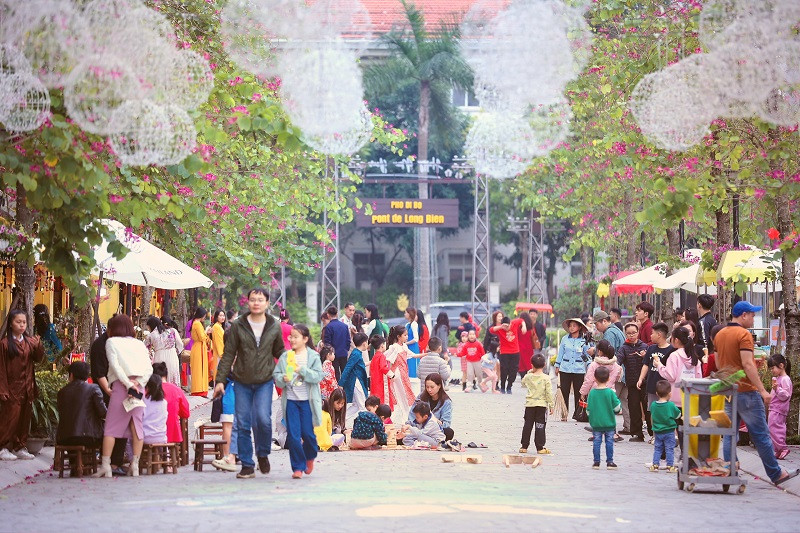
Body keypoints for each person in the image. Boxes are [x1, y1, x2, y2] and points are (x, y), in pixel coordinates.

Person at [214, 288, 286, 480]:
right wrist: (220, 380)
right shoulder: (238, 325)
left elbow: (279, 350)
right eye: (253, 299)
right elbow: (229, 353)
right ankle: (247, 464)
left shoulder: (274, 326)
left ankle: (262, 453)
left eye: (260, 300)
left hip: (264, 381)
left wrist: (293, 365)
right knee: (243, 423)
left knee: (262, 419)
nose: (256, 303)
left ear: (267, 303)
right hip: (242, 382)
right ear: (248, 302)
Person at [95, 314, 152, 477]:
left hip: (121, 386)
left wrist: (127, 384)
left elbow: (115, 365)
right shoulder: (139, 344)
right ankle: (135, 465)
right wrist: (138, 383)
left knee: (111, 427)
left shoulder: (111, 342)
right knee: (137, 427)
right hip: (139, 387)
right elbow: (149, 367)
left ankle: (106, 466)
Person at [273, 323, 322, 479]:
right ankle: (297, 467)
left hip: (307, 401)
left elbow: (317, 376)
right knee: (293, 435)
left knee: (308, 434)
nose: (292, 340)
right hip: (292, 401)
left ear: (305, 339)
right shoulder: (285, 357)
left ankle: (310, 456)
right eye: (291, 336)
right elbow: (277, 377)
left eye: (296, 337)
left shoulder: (312, 356)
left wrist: (301, 370)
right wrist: (282, 378)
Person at [0, 310, 45, 461]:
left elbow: (38, 359)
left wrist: (38, 345)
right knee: (10, 418)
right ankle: (4, 447)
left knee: (24, 418)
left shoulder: (29, 342)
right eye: (18, 322)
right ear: (11, 324)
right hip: (12, 387)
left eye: (24, 322)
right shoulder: (5, 344)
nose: (21, 325)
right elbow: (1, 369)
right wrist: (3, 388)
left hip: (27, 386)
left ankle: (20, 446)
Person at [636, 322, 675, 442]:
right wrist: (641, 378)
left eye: (652, 333)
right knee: (653, 410)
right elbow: (646, 365)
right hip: (652, 385)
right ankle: (655, 435)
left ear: (659, 335)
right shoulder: (651, 348)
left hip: (666, 386)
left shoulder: (671, 350)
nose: (650, 336)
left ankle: (668, 434)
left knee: (666, 410)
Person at [590, 311, 627, 434]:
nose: (596, 327)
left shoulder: (610, 333)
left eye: (597, 324)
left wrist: (595, 351)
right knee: (623, 401)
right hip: (621, 371)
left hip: (613, 372)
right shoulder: (616, 330)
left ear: (604, 321)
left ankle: (607, 429)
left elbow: (608, 353)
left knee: (608, 401)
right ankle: (628, 426)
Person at [56, 362, 106, 451]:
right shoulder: (93, 388)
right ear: (87, 375)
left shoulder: (62, 392)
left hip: (64, 438)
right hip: (89, 437)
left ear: (71, 375)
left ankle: (74, 461)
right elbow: (103, 412)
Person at [654, 326, 701, 404]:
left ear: (676, 340)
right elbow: (699, 378)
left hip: (676, 398)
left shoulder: (674, 355)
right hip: (692, 397)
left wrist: (659, 365)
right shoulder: (694, 356)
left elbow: (670, 376)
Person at [554, 317, 590, 420]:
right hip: (565, 368)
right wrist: (557, 365)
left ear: (579, 327)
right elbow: (561, 353)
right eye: (570, 326)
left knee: (579, 392)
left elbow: (586, 355)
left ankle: (578, 414)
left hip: (579, 369)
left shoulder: (584, 340)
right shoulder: (565, 339)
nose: (571, 328)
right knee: (564, 391)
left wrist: (589, 366)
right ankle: (564, 414)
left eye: (574, 325)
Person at [587, 365, 621, 470]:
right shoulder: (610, 392)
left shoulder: (592, 393)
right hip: (609, 423)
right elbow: (617, 408)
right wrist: (616, 411)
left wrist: (592, 417)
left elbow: (588, 410)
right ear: (608, 378)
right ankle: (610, 462)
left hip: (596, 423)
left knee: (597, 442)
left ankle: (596, 462)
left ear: (595, 378)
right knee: (609, 442)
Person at [520, 354, 554, 454]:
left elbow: (522, 384)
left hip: (530, 405)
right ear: (544, 365)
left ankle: (524, 446)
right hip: (542, 406)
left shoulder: (528, 376)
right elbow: (549, 393)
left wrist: (529, 372)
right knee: (540, 425)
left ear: (532, 365)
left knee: (527, 425)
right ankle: (540, 447)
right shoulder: (546, 378)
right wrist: (551, 405)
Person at [151, 363, 189, 446]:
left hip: (150, 432)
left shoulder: (147, 391)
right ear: (166, 375)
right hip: (172, 432)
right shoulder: (176, 390)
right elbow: (186, 413)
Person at [384, 325, 416, 423]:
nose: (407, 337)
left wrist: (427, 354)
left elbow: (413, 355)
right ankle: (404, 419)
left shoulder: (404, 346)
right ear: (399, 336)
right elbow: (385, 356)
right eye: (405, 335)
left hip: (403, 374)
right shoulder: (394, 347)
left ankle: (404, 418)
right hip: (398, 374)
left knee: (403, 396)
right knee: (402, 396)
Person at [411, 373, 455, 444]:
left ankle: (425, 439)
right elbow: (412, 414)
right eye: (427, 387)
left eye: (432, 387)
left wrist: (438, 422)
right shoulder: (421, 397)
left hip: (435, 430)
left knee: (449, 432)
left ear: (439, 386)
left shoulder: (446, 402)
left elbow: (446, 423)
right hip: (419, 427)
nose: (429, 390)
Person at [649, 380, 681, 472]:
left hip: (658, 431)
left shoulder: (653, 405)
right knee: (669, 449)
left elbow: (652, 417)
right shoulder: (670, 405)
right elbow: (677, 415)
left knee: (658, 448)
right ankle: (670, 466)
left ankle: (655, 464)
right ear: (670, 394)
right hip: (669, 431)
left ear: (656, 393)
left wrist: (653, 428)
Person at [490, 315, 526, 394]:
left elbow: (521, 320)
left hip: (515, 351)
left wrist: (524, 326)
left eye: (508, 326)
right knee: (504, 369)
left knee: (514, 370)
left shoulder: (514, 323)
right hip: (504, 352)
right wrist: (501, 327)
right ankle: (502, 386)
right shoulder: (500, 329)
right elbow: (491, 330)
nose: (507, 328)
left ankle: (509, 386)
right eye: (505, 327)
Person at [144, 316, 183, 387]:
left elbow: (145, 348)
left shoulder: (151, 335)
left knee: (160, 379)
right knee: (172, 377)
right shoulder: (172, 331)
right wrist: (175, 352)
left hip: (159, 356)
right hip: (172, 356)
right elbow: (180, 344)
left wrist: (150, 356)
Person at [340, 332, 369, 427]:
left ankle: (340, 419)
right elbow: (348, 368)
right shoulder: (356, 354)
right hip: (356, 382)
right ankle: (366, 426)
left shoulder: (356, 353)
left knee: (357, 406)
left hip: (356, 381)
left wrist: (370, 362)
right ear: (364, 343)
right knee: (362, 405)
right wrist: (341, 383)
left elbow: (358, 365)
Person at [768, 354, 792, 460]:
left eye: (773, 368)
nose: (771, 370)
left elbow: (786, 395)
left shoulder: (785, 379)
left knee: (776, 429)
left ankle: (783, 448)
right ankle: (778, 449)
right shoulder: (779, 378)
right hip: (774, 408)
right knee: (772, 428)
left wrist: (777, 389)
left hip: (778, 409)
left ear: (781, 365)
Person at [322, 306, 350, 380]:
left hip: (333, 354)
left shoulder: (329, 327)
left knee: (335, 373)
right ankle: (345, 389)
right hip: (343, 352)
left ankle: (337, 390)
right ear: (337, 314)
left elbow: (327, 342)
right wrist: (346, 349)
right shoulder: (344, 326)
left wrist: (330, 353)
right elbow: (348, 340)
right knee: (344, 372)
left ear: (328, 315)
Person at [369, 336, 395, 409]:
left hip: (375, 381)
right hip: (381, 381)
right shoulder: (381, 356)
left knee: (376, 399)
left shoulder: (375, 356)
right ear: (382, 345)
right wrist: (392, 375)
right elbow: (383, 367)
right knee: (383, 399)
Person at [189, 307, 210, 397]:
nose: (205, 318)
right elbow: (202, 337)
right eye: (204, 316)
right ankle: (199, 390)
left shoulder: (196, 323)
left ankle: (200, 389)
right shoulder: (197, 324)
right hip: (199, 347)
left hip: (199, 347)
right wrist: (206, 331)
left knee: (200, 368)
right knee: (199, 369)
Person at [143, 374, 168, 445]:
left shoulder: (144, 401)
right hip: (161, 437)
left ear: (147, 387)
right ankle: (159, 456)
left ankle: (133, 456)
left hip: (145, 437)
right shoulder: (164, 402)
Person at [517, 312, 536, 380]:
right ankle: (529, 377)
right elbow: (533, 337)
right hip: (529, 348)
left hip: (520, 347)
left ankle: (523, 378)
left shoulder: (518, 327)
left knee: (521, 363)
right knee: (529, 363)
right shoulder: (531, 327)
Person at [210, 309, 226, 382]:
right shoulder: (216, 327)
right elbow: (219, 342)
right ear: (216, 317)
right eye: (220, 315)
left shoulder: (219, 326)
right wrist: (222, 354)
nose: (222, 317)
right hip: (220, 354)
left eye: (223, 315)